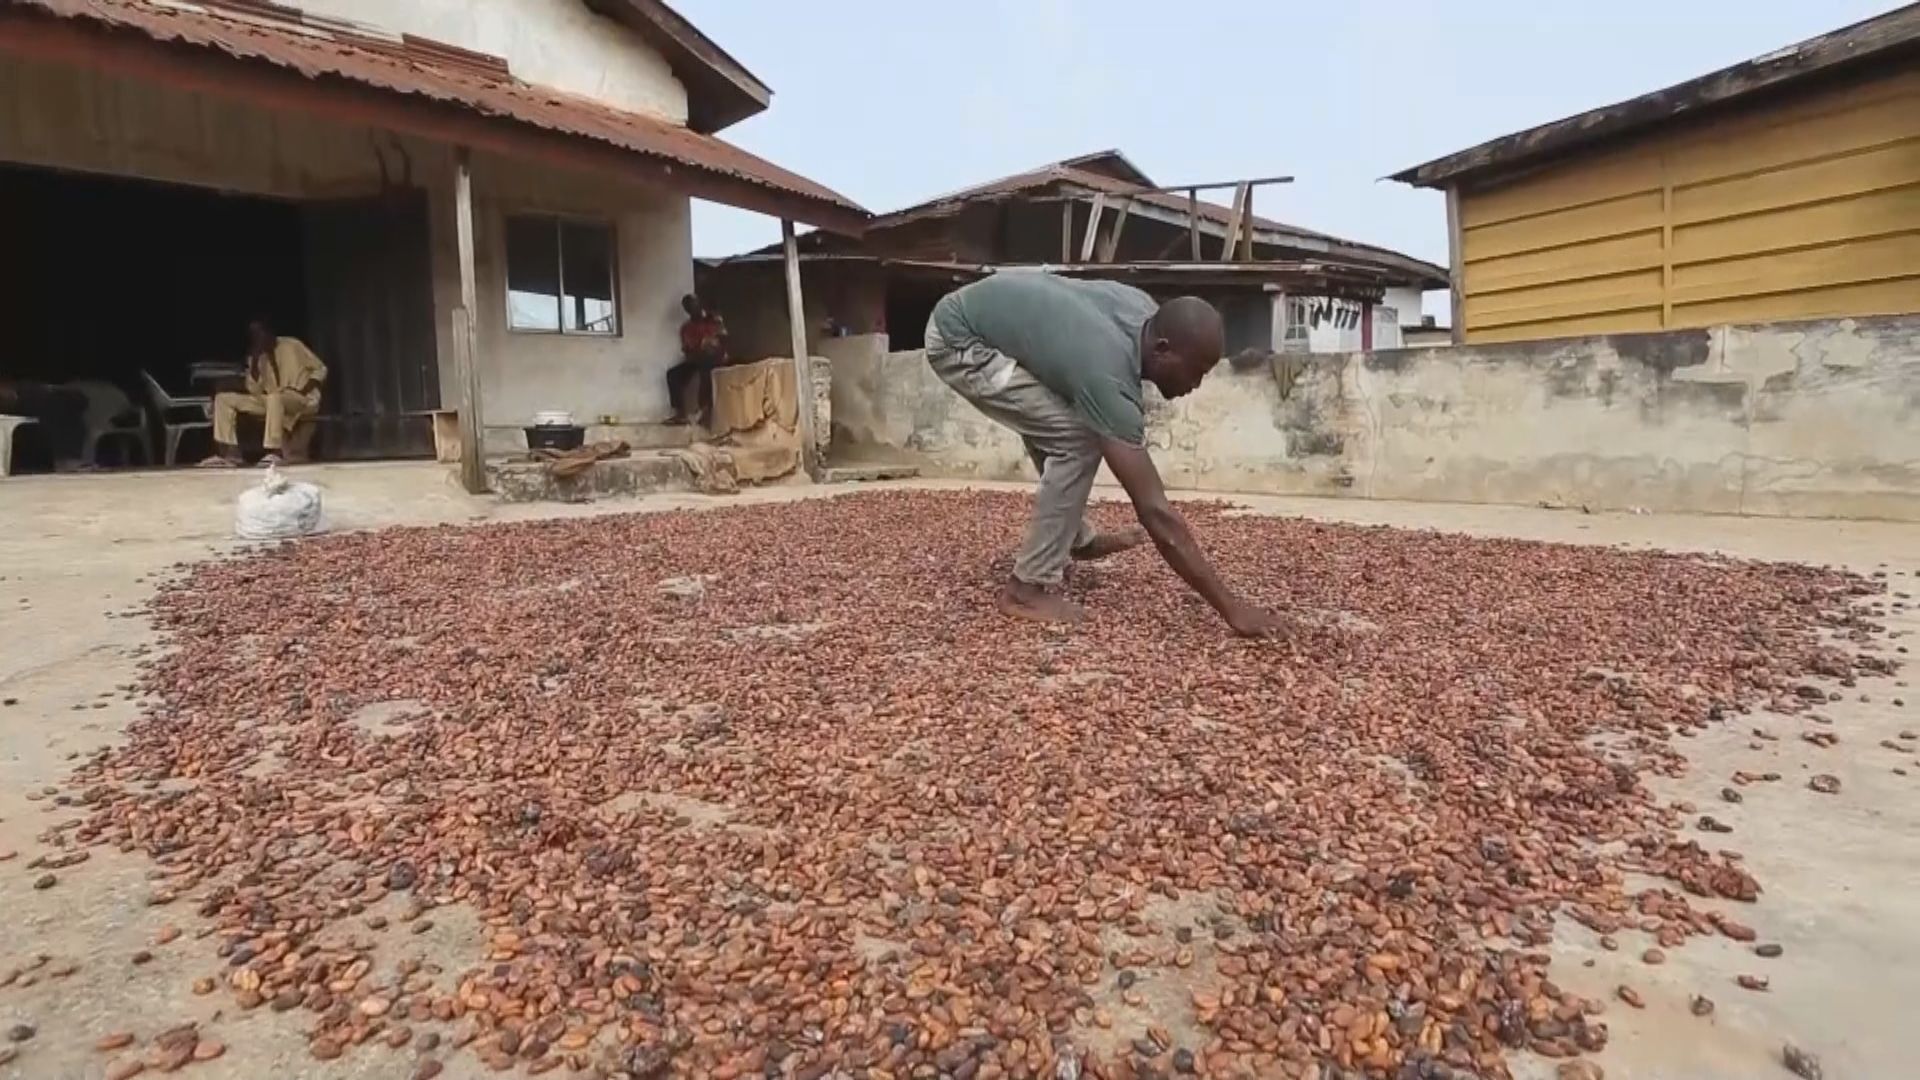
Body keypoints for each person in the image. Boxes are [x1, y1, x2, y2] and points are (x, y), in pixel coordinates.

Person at [925, 271, 1282, 636]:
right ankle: (1024, 590)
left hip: (987, 314)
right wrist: (1231, 608)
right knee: (1076, 440)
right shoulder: (1108, 378)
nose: (1197, 383)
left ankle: (1074, 539)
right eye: (1196, 370)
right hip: (960, 338)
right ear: (1161, 348)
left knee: (1066, 423)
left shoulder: (1143, 312)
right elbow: (1155, 512)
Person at [204, 319, 326, 466]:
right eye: (254, 335)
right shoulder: (257, 357)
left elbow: (320, 368)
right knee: (223, 399)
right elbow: (254, 390)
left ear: (270, 333)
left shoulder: (292, 345)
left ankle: (275, 452)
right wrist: (255, 362)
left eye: (260, 334)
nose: (258, 338)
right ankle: (230, 453)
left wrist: (305, 389)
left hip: (300, 398)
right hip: (272, 401)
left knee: (274, 398)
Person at [667, 294, 727, 425]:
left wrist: (713, 342)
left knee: (707, 368)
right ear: (687, 311)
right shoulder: (687, 327)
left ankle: (704, 410)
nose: (695, 309)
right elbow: (690, 347)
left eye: (695, 305)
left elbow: (723, 338)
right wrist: (703, 344)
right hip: (696, 358)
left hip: (715, 359)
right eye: (690, 307)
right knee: (673, 375)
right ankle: (680, 413)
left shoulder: (713, 321)